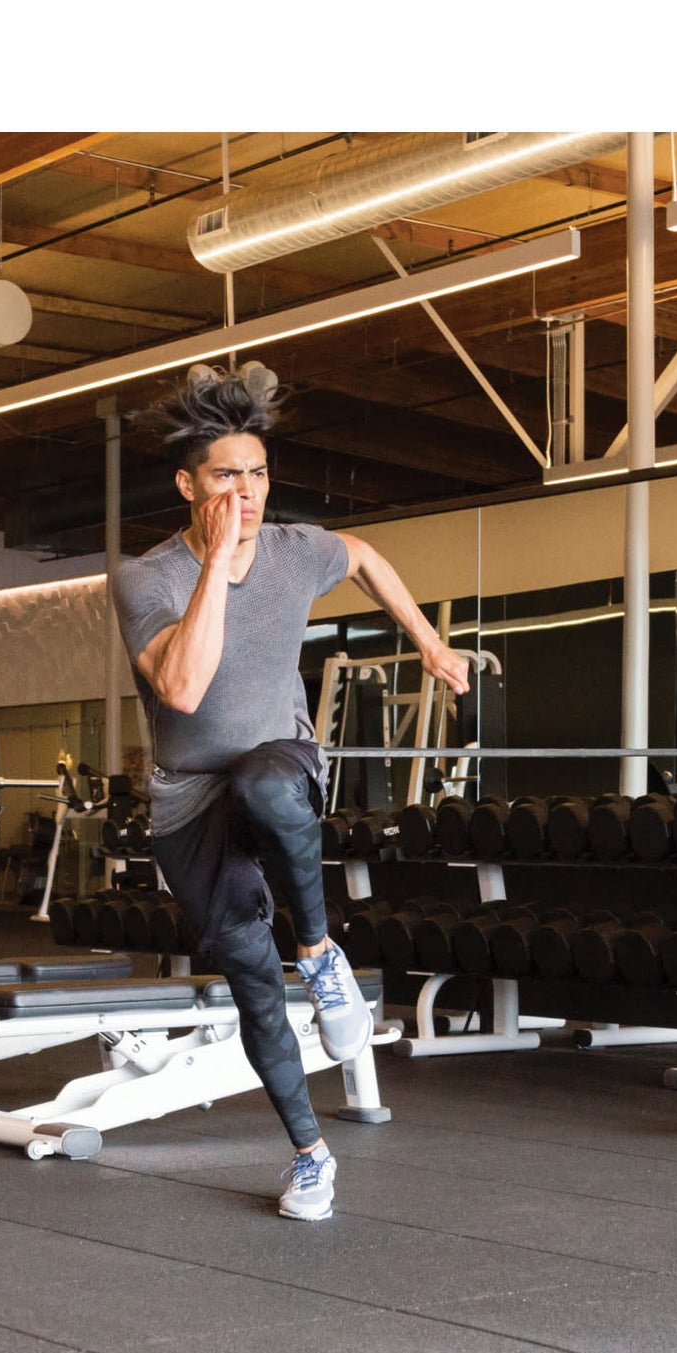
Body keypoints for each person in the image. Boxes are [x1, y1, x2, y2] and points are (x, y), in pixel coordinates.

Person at [112, 362, 469, 1221]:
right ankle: (310, 1155)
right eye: (228, 475)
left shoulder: (297, 549)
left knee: (268, 781)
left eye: (259, 473)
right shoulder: (145, 580)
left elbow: (368, 557)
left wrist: (426, 639)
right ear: (188, 484)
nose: (248, 491)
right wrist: (216, 566)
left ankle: (318, 952)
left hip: (277, 759)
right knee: (246, 977)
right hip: (185, 803)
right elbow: (185, 691)